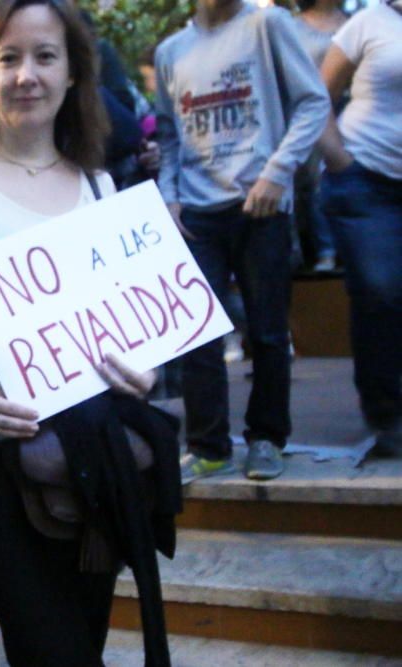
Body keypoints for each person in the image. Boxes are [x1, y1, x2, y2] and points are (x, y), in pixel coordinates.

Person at [0, 1, 180, 664]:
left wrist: (145, 371)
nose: (27, 75)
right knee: (48, 646)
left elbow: (135, 332)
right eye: (9, 58)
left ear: (74, 74)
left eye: (45, 56)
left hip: (91, 459)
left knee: (84, 636)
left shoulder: (101, 188)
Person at [155, 0, 330, 482]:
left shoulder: (265, 23)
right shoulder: (173, 50)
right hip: (196, 211)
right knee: (197, 334)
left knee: (268, 331)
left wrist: (278, 172)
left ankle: (267, 439)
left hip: (262, 204)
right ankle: (208, 446)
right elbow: (169, 134)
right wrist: (169, 197)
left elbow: (313, 102)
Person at [317, 0, 402, 457]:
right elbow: (318, 94)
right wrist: (340, 163)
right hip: (367, 178)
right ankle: (386, 413)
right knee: (381, 291)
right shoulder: (369, 23)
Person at [294, 0, 347, 271]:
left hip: (349, 113)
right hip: (310, 115)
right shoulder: (292, 27)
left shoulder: (354, 21)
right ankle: (325, 252)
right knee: (315, 182)